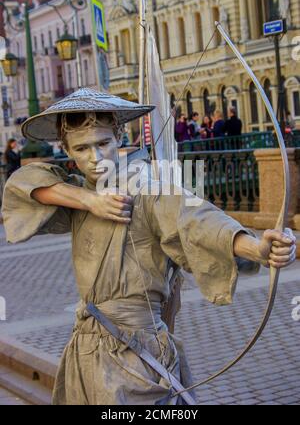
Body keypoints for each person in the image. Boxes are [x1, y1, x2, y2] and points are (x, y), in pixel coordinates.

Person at [1, 88, 296, 405]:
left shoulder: (145, 186)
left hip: (137, 353)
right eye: (82, 148)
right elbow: (22, 184)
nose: (95, 158)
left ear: (118, 137)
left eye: (103, 144)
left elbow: (193, 219)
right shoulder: (78, 197)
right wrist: (90, 201)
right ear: (68, 152)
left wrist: (255, 247)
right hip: (87, 349)